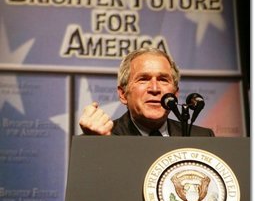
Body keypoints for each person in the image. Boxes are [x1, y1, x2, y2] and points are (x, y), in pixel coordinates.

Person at [79, 47, 214, 136]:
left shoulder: (201, 137)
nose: (154, 89)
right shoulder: (102, 138)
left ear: (175, 94)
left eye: (163, 80)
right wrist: (95, 143)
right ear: (123, 94)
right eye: (143, 79)